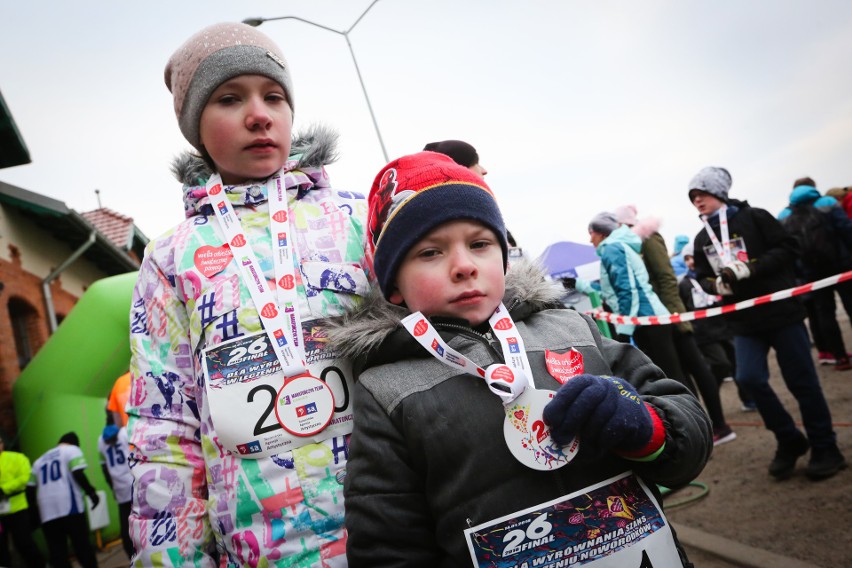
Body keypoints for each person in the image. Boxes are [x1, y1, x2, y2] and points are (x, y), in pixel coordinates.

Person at [331, 152, 712, 566]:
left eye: (479, 244)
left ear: (503, 254)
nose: (463, 266)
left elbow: (689, 436)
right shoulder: (386, 389)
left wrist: (645, 427)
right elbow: (386, 545)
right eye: (430, 253)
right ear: (394, 287)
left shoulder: (573, 329)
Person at [127, 22, 372, 566]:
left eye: (274, 96)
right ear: (195, 127)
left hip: (391, 527)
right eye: (229, 99)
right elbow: (165, 426)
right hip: (263, 548)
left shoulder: (358, 220)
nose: (259, 114)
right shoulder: (170, 257)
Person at [688, 166, 847, 480]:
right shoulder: (702, 236)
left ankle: (826, 446)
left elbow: (789, 248)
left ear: (719, 193)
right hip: (744, 321)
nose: (697, 201)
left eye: (702, 194)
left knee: (801, 382)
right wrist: (714, 286)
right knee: (748, 379)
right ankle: (789, 439)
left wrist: (752, 268)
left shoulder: (756, 217)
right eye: (692, 197)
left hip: (782, 313)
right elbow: (702, 276)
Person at [615, 205, 735, 445]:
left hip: (669, 318)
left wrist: (673, 317)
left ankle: (718, 425)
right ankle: (706, 427)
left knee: (695, 369)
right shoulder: (631, 241)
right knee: (683, 376)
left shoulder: (647, 237)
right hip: (660, 319)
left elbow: (666, 277)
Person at [576, 212, 686, 383]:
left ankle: (689, 411)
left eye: (591, 233)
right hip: (648, 319)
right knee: (672, 376)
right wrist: (578, 284)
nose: (590, 240)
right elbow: (610, 292)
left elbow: (628, 290)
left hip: (648, 320)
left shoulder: (612, 248)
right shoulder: (617, 246)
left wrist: (625, 330)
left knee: (670, 378)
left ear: (602, 232)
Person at [779, 178, 852, 371]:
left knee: (824, 314)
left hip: (811, 273)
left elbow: (788, 249)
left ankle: (840, 357)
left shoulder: (784, 215)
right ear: (813, 188)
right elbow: (847, 230)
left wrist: (798, 273)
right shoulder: (827, 203)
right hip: (842, 265)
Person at [678, 244, 756, 412]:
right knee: (721, 364)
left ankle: (748, 399)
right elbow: (683, 308)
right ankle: (712, 395)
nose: (691, 262)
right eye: (687, 258)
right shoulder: (684, 284)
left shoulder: (714, 279)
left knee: (737, 364)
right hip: (704, 333)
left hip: (724, 326)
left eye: (693, 257)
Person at [28, 432, 99, 568]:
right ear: (75, 443)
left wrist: (34, 512)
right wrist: (91, 492)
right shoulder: (72, 450)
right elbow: (77, 472)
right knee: (82, 547)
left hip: (47, 513)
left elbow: (30, 489)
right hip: (69, 507)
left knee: (58, 554)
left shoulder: (39, 460)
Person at [0, 437, 45, 568]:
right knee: (1, 550)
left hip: (17, 509)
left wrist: (4, 488)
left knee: (24, 543)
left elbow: (25, 477)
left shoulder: (17, 458)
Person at [97, 425, 133, 559]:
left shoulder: (102, 440)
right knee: (129, 532)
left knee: (128, 531)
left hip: (125, 490)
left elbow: (104, 467)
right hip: (126, 489)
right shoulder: (124, 433)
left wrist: (112, 486)